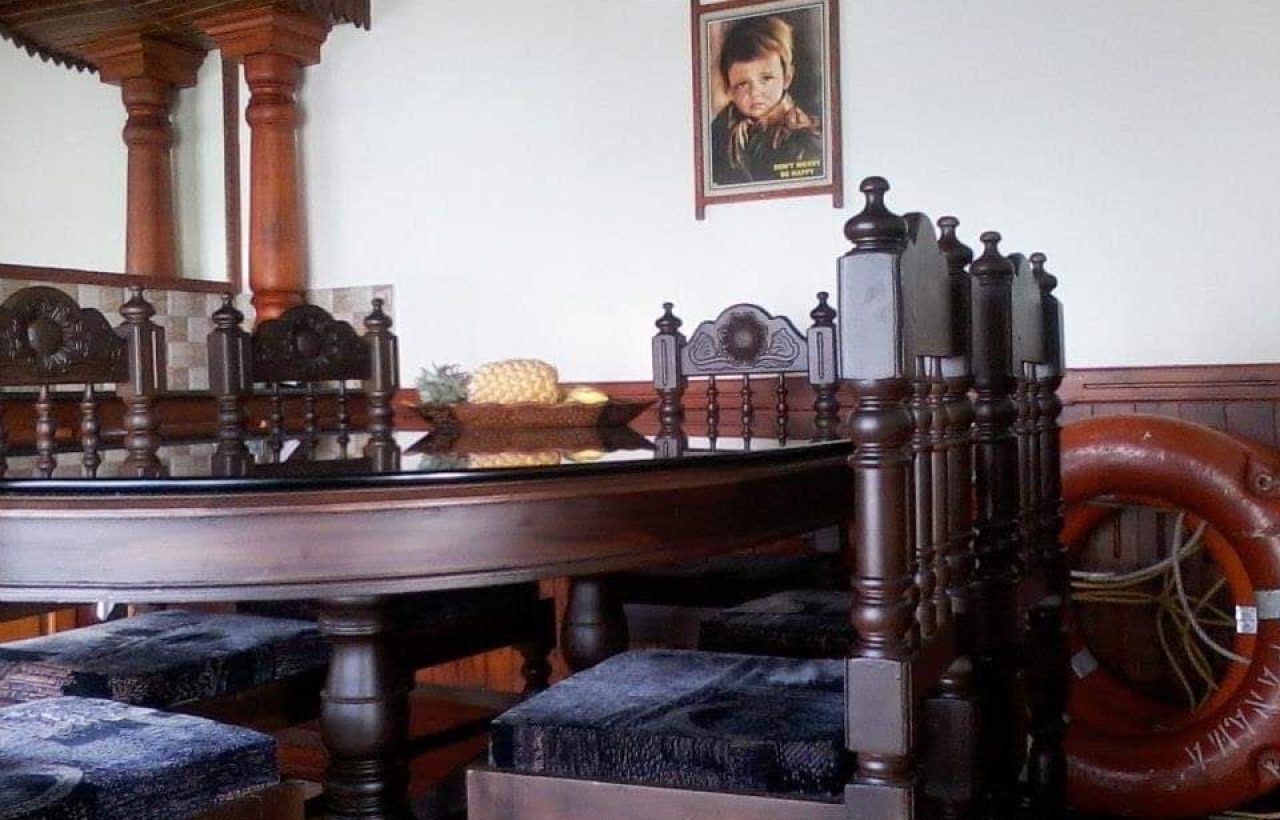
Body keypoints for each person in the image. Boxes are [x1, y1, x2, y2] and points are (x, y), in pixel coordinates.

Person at [709, 15, 823, 186]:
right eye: (742, 84)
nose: (755, 92)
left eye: (766, 78)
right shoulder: (719, 130)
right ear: (729, 88)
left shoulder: (802, 133)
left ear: (787, 77)